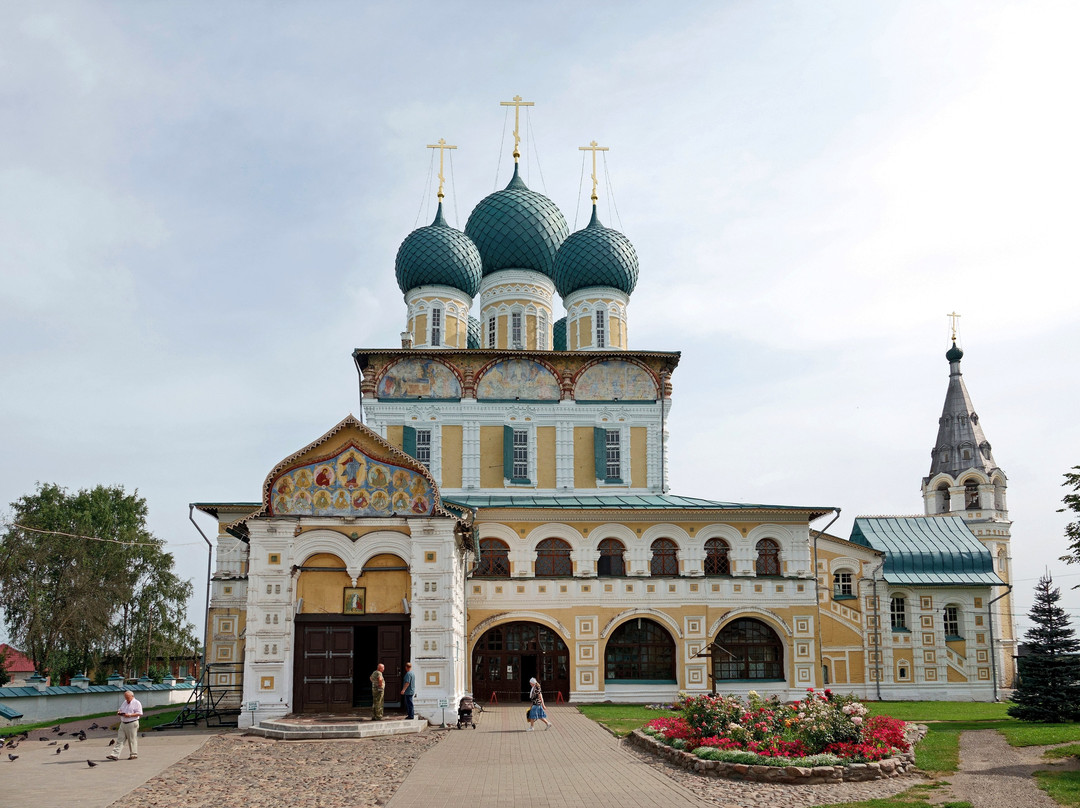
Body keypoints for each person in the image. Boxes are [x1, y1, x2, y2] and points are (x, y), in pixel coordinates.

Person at [106, 690, 143, 760]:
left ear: (132, 696)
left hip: (132, 723)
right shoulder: (125, 702)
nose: (126, 699)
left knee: (132, 739)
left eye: (128, 697)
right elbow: (121, 709)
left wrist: (129, 715)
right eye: (125, 697)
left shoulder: (137, 703)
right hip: (123, 723)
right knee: (120, 739)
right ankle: (115, 755)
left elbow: (140, 713)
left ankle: (133, 754)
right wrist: (119, 712)